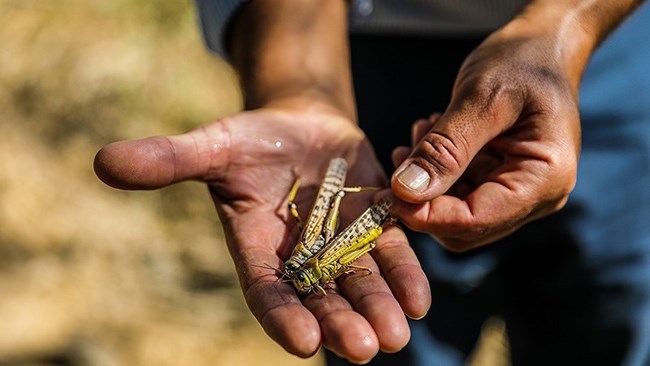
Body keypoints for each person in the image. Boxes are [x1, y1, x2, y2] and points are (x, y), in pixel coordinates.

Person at [94, 0, 650, 365]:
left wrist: (566, 30)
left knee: (610, 326)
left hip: (611, 39)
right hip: (362, 47)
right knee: (390, 339)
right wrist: (295, 86)